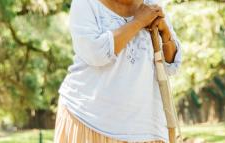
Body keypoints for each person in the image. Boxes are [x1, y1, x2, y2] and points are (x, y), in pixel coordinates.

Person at [54, 0, 182, 142]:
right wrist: (138, 22)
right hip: (88, 119)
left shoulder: (151, 5)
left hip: (146, 128)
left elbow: (171, 67)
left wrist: (165, 33)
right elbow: (95, 53)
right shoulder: (86, 3)